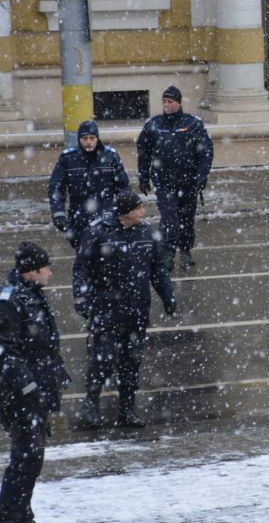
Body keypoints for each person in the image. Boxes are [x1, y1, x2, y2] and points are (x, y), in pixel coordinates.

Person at [73, 190, 177, 428]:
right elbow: (82, 269)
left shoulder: (147, 232)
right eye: (139, 208)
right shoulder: (98, 232)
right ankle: (90, 406)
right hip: (106, 310)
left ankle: (127, 410)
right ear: (126, 212)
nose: (143, 211)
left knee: (131, 362)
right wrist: (81, 299)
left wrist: (167, 296)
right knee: (103, 361)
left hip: (136, 311)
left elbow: (158, 270)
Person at [0, 243, 68, 522]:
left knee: (32, 456)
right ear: (32, 271)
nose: (50, 272)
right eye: (46, 267)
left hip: (33, 390)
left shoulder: (30, 294)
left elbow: (41, 344)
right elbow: (6, 352)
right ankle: (11, 513)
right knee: (26, 456)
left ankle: (20, 510)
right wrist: (29, 387)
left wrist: (55, 373)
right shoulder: (11, 300)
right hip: (19, 395)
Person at [136, 85, 214, 269]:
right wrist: (143, 176)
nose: (166, 105)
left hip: (188, 183)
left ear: (178, 103)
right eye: (164, 101)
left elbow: (206, 152)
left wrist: (201, 176)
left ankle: (185, 251)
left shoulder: (192, 124)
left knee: (187, 219)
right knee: (169, 219)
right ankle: (167, 253)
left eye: (170, 101)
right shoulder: (154, 125)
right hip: (164, 183)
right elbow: (144, 152)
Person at [48, 120, 130, 249]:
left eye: (92, 138)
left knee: (108, 260)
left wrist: (125, 212)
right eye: (85, 138)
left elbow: (123, 187)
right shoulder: (68, 158)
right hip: (79, 218)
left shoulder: (110, 156)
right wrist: (59, 214)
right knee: (83, 261)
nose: (88, 142)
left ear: (97, 138)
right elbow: (56, 189)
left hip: (106, 217)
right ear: (79, 139)